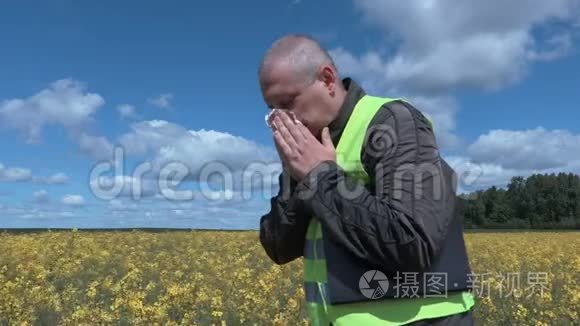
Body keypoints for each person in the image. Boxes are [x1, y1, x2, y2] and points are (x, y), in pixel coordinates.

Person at [257, 34, 476, 326]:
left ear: (327, 79)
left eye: (288, 102)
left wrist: (319, 177)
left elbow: (412, 242)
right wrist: (298, 176)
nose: (283, 120)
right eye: (273, 111)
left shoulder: (392, 122)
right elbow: (279, 248)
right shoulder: (307, 153)